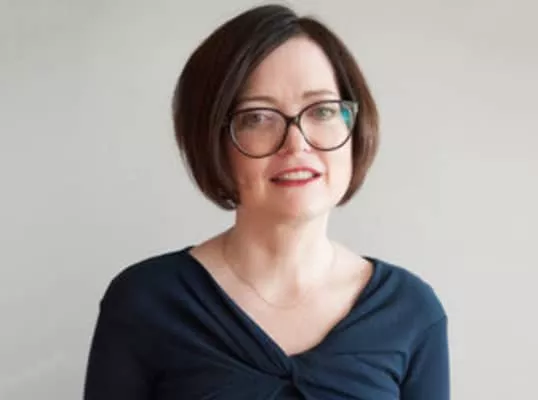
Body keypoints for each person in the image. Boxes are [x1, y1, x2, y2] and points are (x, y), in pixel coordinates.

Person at [83, 4, 449, 400]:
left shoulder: (411, 311)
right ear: (212, 141)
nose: (297, 143)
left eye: (323, 110)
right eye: (258, 117)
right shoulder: (145, 302)